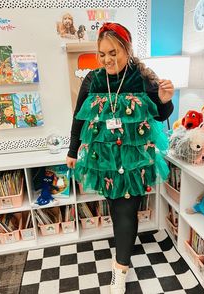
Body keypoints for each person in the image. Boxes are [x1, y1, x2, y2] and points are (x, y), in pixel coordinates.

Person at [66, 22, 174, 294]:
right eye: (102, 54)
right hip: (104, 158)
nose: (107, 59)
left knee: (126, 210)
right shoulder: (93, 79)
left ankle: (120, 270)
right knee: (117, 209)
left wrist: (165, 99)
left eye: (113, 52)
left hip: (134, 158)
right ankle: (123, 254)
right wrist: (72, 150)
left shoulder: (142, 78)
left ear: (126, 49)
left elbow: (161, 115)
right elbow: (79, 118)